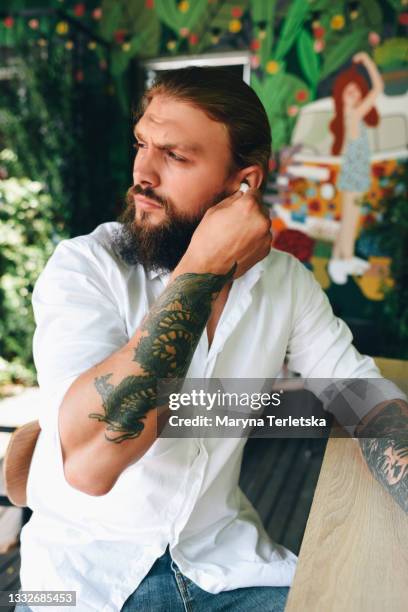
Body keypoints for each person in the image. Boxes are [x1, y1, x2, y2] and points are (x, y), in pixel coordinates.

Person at [18, 67, 407, 612]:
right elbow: (91, 465)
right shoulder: (83, 268)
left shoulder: (284, 282)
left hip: (225, 568)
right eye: (142, 145)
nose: (142, 173)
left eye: (175, 156)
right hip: (73, 583)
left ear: (241, 183)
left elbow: (358, 393)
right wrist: (204, 264)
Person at [328, 52, 383, 285]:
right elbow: (378, 88)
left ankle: (337, 260)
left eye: (357, 90)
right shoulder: (353, 115)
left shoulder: (352, 116)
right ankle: (345, 259)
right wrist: (368, 62)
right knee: (350, 219)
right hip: (355, 173)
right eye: (350, 92)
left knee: (349, 218)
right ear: (343, 97)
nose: (357, 94)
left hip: (354, 172)